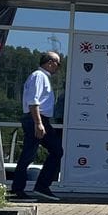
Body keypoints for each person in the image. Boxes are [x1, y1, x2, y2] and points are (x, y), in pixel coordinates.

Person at [11, 50, 64, 201]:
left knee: (55, 151)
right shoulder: (38, 76)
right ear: (50, 62)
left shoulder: (42, 77)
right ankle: (19, 190)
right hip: (36, 119)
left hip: (40, 120)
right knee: (29, 154)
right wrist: (38, 123)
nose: (58, 67)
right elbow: (33, 101)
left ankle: (40, 186)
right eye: (58, 63)